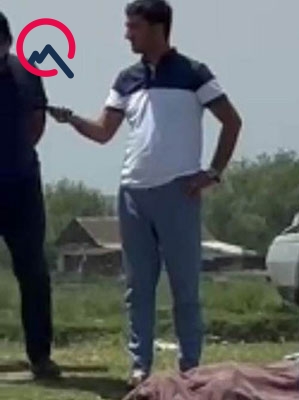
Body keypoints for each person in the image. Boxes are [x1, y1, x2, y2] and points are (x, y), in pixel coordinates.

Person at [48, 0, 242, 387]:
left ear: (157, 27)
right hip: (133, 192)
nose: (127, 35)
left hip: (178, 191)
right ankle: (140, 366)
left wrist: (212, 173)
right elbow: (104, 132)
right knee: (138, 288)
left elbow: (231, 122)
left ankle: (190, 367)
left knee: (184, 285)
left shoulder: (193, 73)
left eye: (133, 27)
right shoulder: (127, 79)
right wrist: (71, 120)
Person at [0, 11, 61, 379]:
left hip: (22, 184)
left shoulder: (26, 73)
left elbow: (37, 122)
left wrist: (17, 153)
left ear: (6, 42)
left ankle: (40, 355)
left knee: (34, 271)